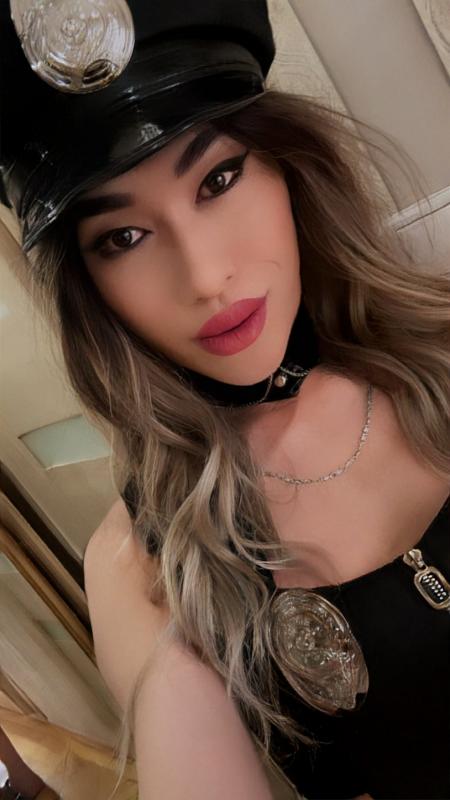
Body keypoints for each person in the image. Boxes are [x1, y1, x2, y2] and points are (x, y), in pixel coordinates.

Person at [1, 1, 449, 798]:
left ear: (288, 168)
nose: (207, 277)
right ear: (89, 289)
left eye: (218, 179)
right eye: (123, 238)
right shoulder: (148, 559)